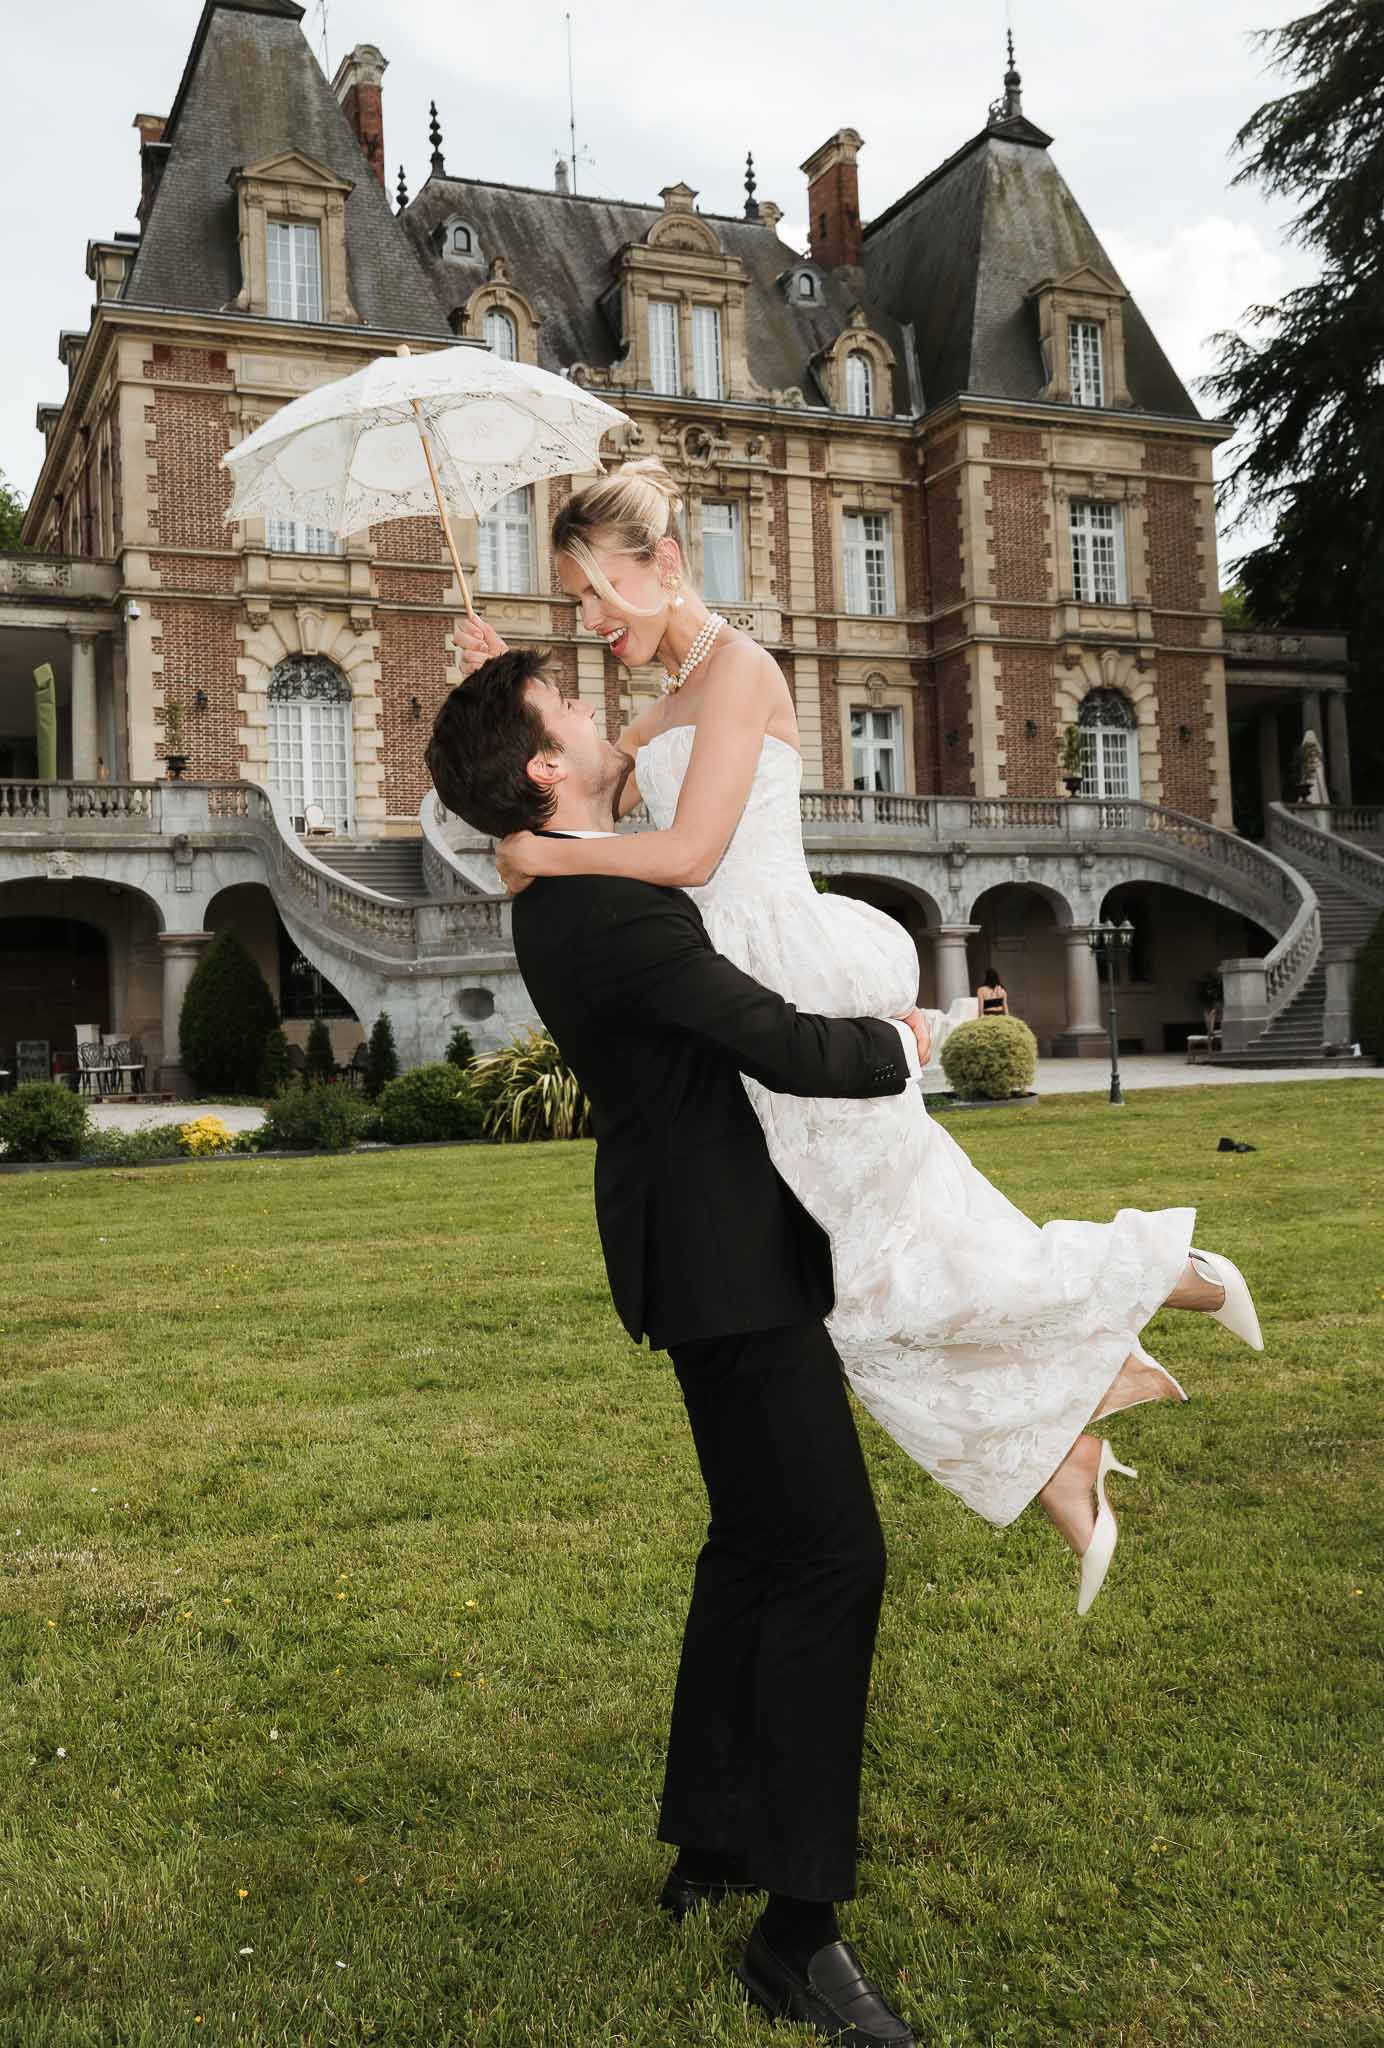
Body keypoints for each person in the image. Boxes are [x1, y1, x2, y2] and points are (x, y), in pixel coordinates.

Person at [455, 458, 1264, 1616]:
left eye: (595, 594)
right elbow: (567, 784)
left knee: (885, 1268)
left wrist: (550, 854)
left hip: (778, 974)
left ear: (663, 564)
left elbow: (680, 856)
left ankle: (1157, 1280)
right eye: (574, 604)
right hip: (723, 987)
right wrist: (501, 698)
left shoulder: (737, 672)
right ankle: (1068, 1441)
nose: (586, 623)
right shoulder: (664, 692)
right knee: (879, 1278)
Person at [427, 651, 924, 2046]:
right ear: (541, 766)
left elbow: (656, 805)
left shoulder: (564, 876)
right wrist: (914, 1038)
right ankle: (797, 1930)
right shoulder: (602, 906)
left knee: (756, 1547)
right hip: (728, 1263)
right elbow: (768, 1039)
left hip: (697, 1248)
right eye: (570, 711)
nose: (594, 712)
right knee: (831, 1557)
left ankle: (712, 1845)